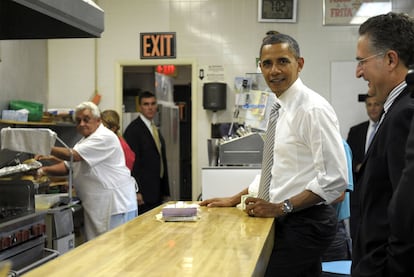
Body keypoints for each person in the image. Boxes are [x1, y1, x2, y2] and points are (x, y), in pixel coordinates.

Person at [200, 33, 348, 277]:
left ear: (299, 64)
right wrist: (235, 198)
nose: (274, 70)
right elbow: (274, 172)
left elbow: (334, 179)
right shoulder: (280, 108)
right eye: (267, 64)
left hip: (306, 221)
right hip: (289, 218)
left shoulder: (312, 109)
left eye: (283, 61)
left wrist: (281, 207)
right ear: (260, 67)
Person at [351, 12, 414, 277]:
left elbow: (407, 213)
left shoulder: (404, 114)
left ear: (390, 59)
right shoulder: (395, 110)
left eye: (362, 62)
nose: (358, 72)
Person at [36, 102, 138, 241]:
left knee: (114, 252)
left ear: (98, 120)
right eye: (78, 121)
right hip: (99, 205)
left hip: (115, 206)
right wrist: (43, 170)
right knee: (100, 252)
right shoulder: (85, 141)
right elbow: (68, 166)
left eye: (86, 119)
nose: (82, 124)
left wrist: (42, 145)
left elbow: (73, 156)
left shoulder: (104, 137)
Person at [123, 91, 170, 214]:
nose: (150, 107)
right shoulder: (133, 130)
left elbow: (159, 159)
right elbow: (131, 163)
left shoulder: (154, 128)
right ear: (140, 107)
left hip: (156, 189)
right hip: (143, 193)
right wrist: (136, 191)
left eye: (153, 104)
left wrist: (165, 190)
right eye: (146, 104)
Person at [346, 93, 383, 240]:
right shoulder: (356, 131)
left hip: (379, 193)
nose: (373, 108)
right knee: (356, 235)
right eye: (369, 105)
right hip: (358, 193)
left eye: (376, 104)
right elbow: (348, 159)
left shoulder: (386, 128)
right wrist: (357, 167)